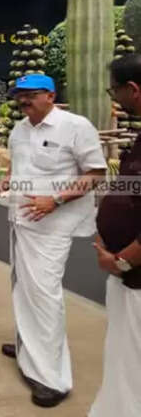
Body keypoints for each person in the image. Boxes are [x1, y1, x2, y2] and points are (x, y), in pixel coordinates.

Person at [0, 74, 106, 407]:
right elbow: (15, 174)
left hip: (52, 226)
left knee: (44, 295)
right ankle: (27, 349)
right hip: (20, 221)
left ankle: (52, 379)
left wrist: (56, 200)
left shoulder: (75, 126)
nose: (22, 101)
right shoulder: (20, 130)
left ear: (50, 95)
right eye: (18, 96)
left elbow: (95, 173)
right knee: (23, 289)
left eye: (29, 95)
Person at [89, 54, 141, 417]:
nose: (113, 97)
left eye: (115, 90)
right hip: (125, 275)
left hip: (133, 272)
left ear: (133, 90)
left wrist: (122, 259)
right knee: (123, 355)